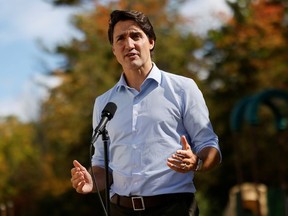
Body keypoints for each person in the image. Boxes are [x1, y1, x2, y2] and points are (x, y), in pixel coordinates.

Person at [71, 9, 221, 216]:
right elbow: (101, 167)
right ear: (114, 50)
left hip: (174, 209)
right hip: (120, 210)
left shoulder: (183, 88)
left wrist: (197, 162)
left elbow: (210, 146)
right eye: (120, 39)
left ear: (151, 42)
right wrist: (91, 181)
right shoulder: (103, 103)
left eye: (135, 36)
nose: (129, 44)